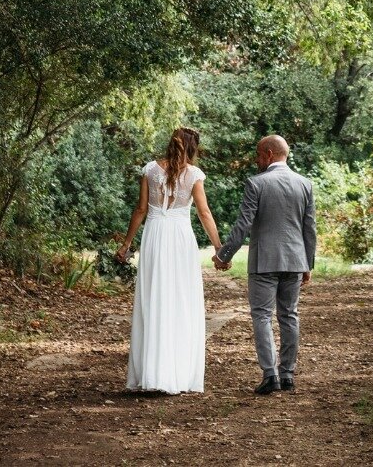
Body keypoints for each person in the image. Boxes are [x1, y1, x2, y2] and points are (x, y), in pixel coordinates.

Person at [115, 126, 222, 393]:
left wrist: (126, 245)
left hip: (155, 236)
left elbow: (140, 210)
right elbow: (204, 212)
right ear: (193, 148)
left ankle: (152, 373)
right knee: (181, 300)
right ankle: (177, 373)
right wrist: (219, 248)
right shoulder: (194, 175)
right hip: (180, 238)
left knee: (153, 298)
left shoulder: (150, 170)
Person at [212, 134, 316, 395]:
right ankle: (288, 374)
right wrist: (308, 264)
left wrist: (224, 255)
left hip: (264, 262)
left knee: (262, 316)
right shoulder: (305, 184)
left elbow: (243, 225)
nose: (257, 160)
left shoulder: (256, 183)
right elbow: (309, 229)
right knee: (289, 314)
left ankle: (270, 375)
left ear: (269, 154)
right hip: (294, 260)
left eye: (259, 155)